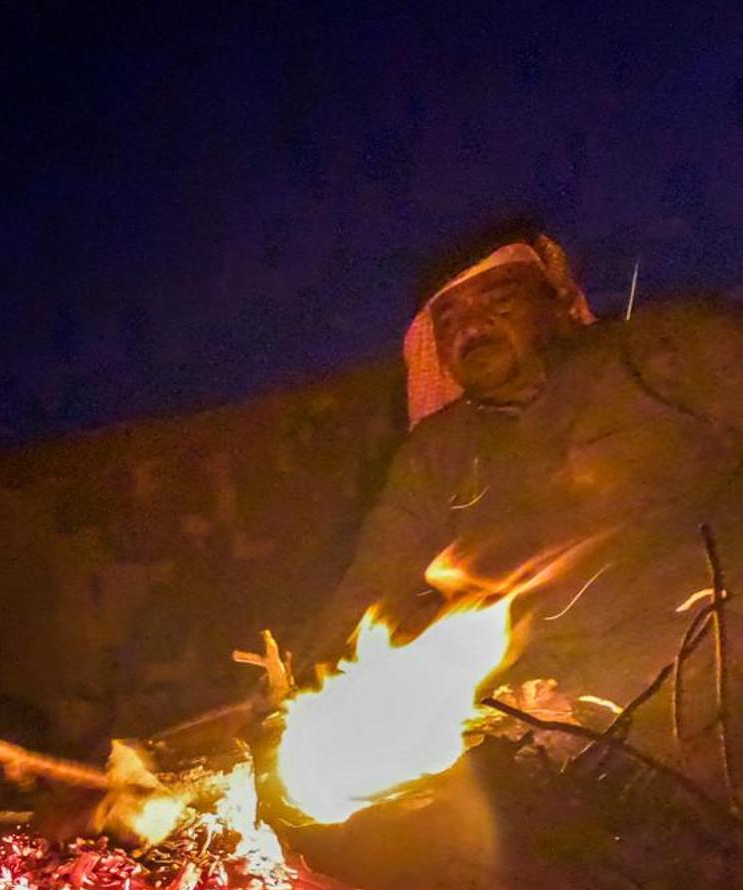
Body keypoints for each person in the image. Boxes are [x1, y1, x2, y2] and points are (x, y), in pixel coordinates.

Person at [306, 226, 743, 738]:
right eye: (448, 319)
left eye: (496, 300)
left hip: (721, 673)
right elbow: (373, 586)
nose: (470, 327)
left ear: (554, 301)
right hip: (564, 727)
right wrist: (311, 690)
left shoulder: (662, 350)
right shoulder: (435, 454)